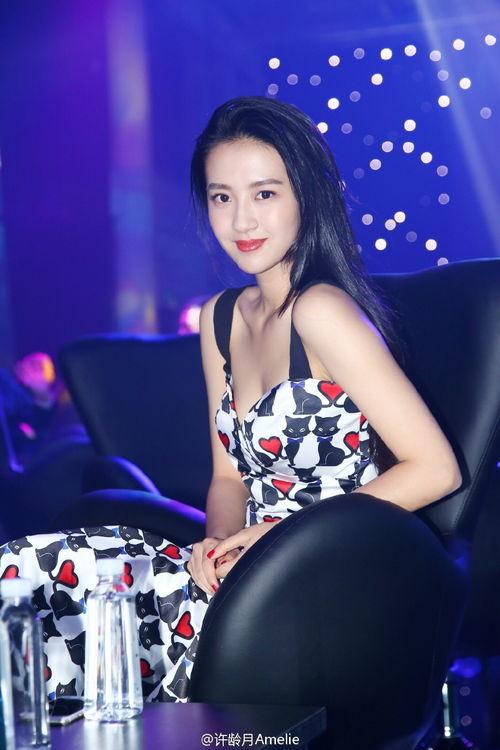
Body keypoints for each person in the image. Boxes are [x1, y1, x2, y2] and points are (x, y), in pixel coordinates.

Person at [0, 96, 461, 702]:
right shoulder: (220, 318)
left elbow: (436, 469)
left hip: (340, 570)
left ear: (305, 196)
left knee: (64, 600)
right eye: (222, 197)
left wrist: (280, 536)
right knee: (34, 576)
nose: (242, 221)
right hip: (253, 571)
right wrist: (216, 550)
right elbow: (227, 478)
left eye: (264, 193)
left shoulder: (322, 311)